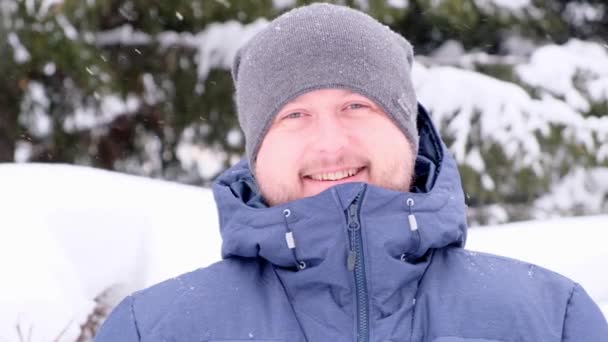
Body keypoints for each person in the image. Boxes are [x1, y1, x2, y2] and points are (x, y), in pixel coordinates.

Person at [95, 3, 608, 341]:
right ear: (257, 151)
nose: (330, 144)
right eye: (294, 115)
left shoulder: (549, 318)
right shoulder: (154, 330)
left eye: (357, 106)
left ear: (408, 130)